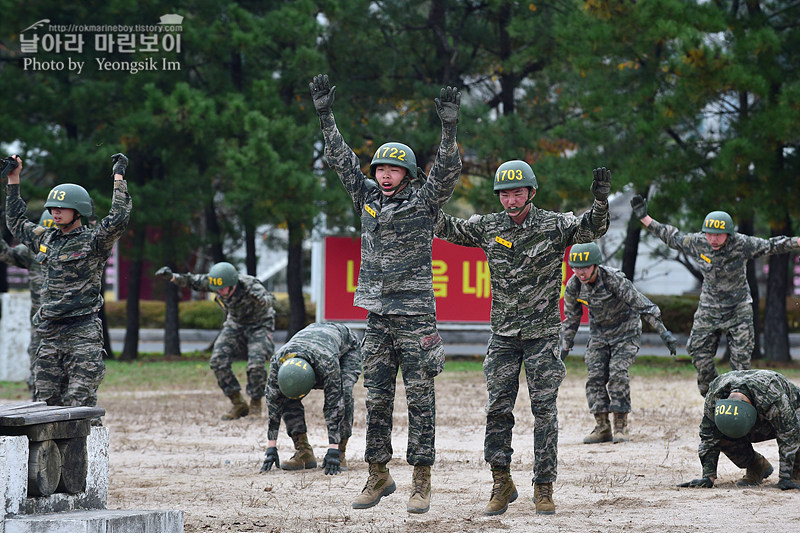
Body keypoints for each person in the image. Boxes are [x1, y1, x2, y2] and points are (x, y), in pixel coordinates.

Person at [309, 73, 461, 514]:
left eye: (393, 169)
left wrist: (449, 131)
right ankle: (378, 474)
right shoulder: (368, 198)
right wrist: (326, 117)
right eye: (380, 168)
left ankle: (421, 480)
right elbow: (340, 160)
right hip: (377, 316)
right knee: (375, 397)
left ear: (409, 174)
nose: (385, 175)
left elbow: (448, 171)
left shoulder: (425, 201)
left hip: (416, 319)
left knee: (420, 401)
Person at [435, 160, 611, 515]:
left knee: (544, 411)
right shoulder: (488, 226)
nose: (511, 200)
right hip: (503, 335)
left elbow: (589, 230)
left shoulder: (553, 224)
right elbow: (446, 227)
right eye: (504, 194)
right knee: (498, 409)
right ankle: (501, 482)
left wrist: (601, 203)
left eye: (517, 193)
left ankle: (544, 487)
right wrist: (427, 195)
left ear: (531, 192)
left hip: (543, 334)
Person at [631, 195, 800, 396]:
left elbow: (771, 245)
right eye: (709, 234)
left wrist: (796, 241)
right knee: (697, 352)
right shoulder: (698, 243)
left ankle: (739, 404)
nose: (713, 239)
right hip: (709, 308)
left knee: (741, 366)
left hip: (739, 309)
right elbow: (672, 237)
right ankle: (715, 396)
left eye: (718, 235)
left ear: (728, 234)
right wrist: (644, 218)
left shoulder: (742, 244)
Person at [5, 153, 132, 408]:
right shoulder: (45, 239)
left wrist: (119, 179)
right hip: (49, 333)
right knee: (45, 406)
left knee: (79, 405)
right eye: (52, 208)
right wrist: (13, 177)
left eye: (61, 208)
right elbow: (16, 222)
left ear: (79, 210)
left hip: (82, 333)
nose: (55, 212)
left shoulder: (94, 242)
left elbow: (117, 220)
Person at [561, 242, 678, 444]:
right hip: (599, 334)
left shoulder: (613, 279)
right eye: (576, 268)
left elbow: (643, 305)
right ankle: (602, 427)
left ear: (596, 265)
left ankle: (621, 426)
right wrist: (564, 346)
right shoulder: (573, 286)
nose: (580, 272)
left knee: (617, 374)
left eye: (585, 267)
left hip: (626, 331)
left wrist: (664, 333)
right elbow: (571, 318)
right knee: (595, 376)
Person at [156, 262, 275, 420]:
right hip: (236, 323)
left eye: (223, 288)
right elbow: (193, 281)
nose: (220, 291)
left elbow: (270, 299)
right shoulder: (216, 282)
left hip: (259, 324)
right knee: (218, 360)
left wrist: (263, 300)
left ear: (232, 284)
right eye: (217, 289)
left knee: (256, 363)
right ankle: (238, 403)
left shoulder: (249, 285)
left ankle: (255, 404)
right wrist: (172, 277)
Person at [259, 322, 362, 476]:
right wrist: (271, 446)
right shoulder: (277, 363)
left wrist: (333, 448)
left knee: (344, 393)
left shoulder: (326, 363)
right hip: (310, 344)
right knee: (287, 397)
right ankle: (303, 452)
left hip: (346, 347)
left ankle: (340, 452)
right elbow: (274, 403)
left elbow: (334, 405)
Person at [678, 369, 800, 490]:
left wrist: (785, 477)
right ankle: (757, 466)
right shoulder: (715, 396)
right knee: (722, 434)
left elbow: (789, 432)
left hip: (791, 412)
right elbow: (709, 435)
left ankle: (796, 472)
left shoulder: (771, 394)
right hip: (759, 414)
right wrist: (708, 477)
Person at [0, 211, 54, 396]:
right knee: (38, 371)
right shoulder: (32, 252)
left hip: (69, 321)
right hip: (40, 323)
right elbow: (5, 253)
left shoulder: (76, 249)